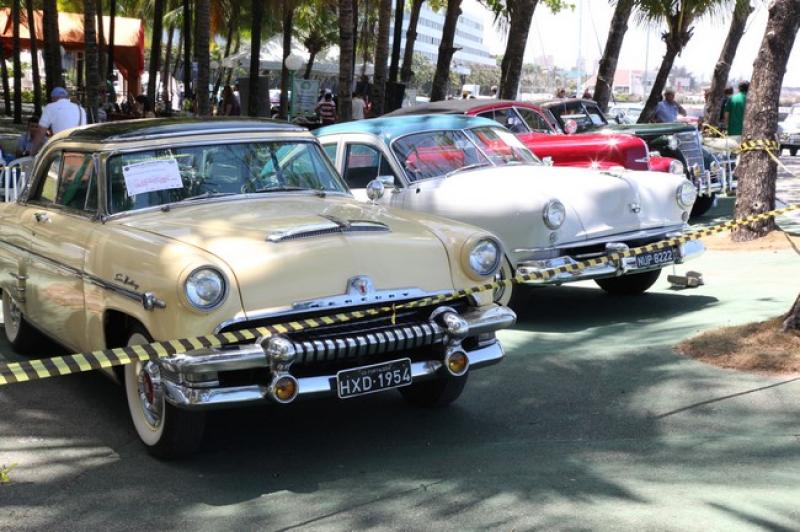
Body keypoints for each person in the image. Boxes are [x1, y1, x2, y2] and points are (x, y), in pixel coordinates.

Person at [31, 87, 87, 155]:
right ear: (66, 97)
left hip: (61, 150)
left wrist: (33, 152)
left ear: (53, 98)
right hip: (78, 150)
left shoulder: (50, 107)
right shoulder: (81, 109)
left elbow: (41, 132)